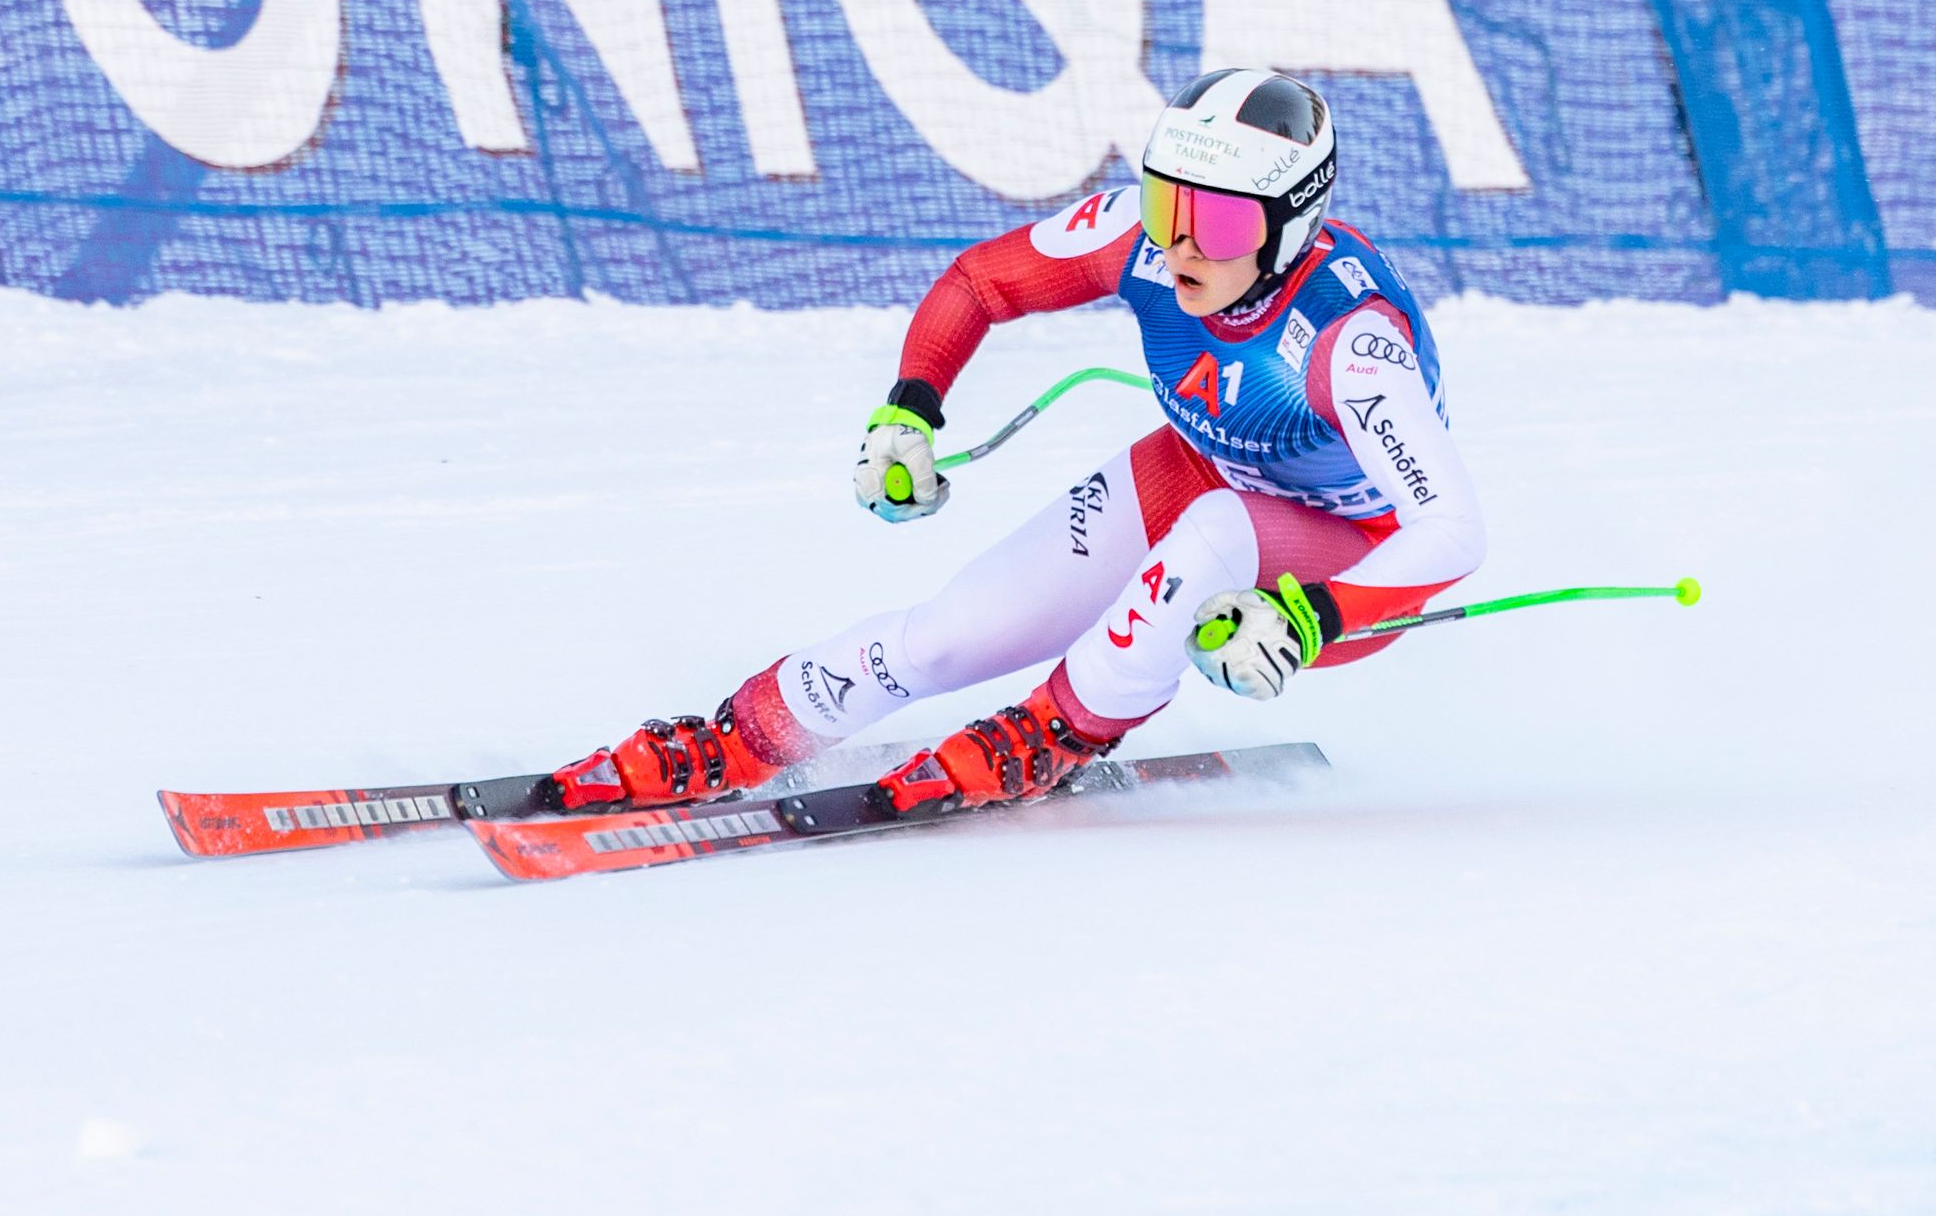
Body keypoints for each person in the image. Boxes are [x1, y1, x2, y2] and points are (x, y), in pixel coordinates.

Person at [549, 67, 1487, 816]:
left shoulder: (1349, 340)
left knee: (1214, 534)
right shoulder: (1140, 241)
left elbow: (1448, 531)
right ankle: (749, 732)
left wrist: (1309, 614)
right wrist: (908, 412)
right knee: (950, 636)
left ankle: (1056, 728)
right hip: (1201, 470)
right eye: (1171, 209)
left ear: (1292, 224)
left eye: (1224, 223)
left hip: (1340, 561)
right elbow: (980, 283)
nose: (1185, 246)